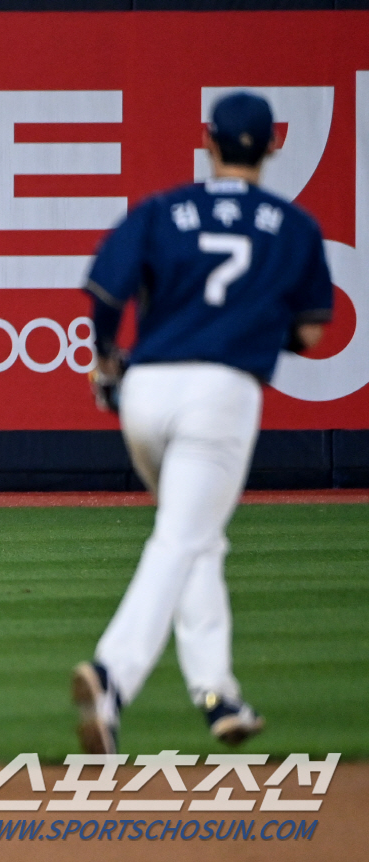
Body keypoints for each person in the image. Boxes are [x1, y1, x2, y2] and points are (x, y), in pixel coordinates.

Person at [73, 92, 333, 755]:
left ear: (209, 142)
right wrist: (257, 320)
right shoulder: (294, 226)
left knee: (194, 535)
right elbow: (310, 328)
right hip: (220, 392)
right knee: (181, 538)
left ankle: (218, 694)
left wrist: (107, 365)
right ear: (272, 145)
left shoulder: (165, 210)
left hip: (146, 387)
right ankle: (111, 675)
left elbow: (104, 291)